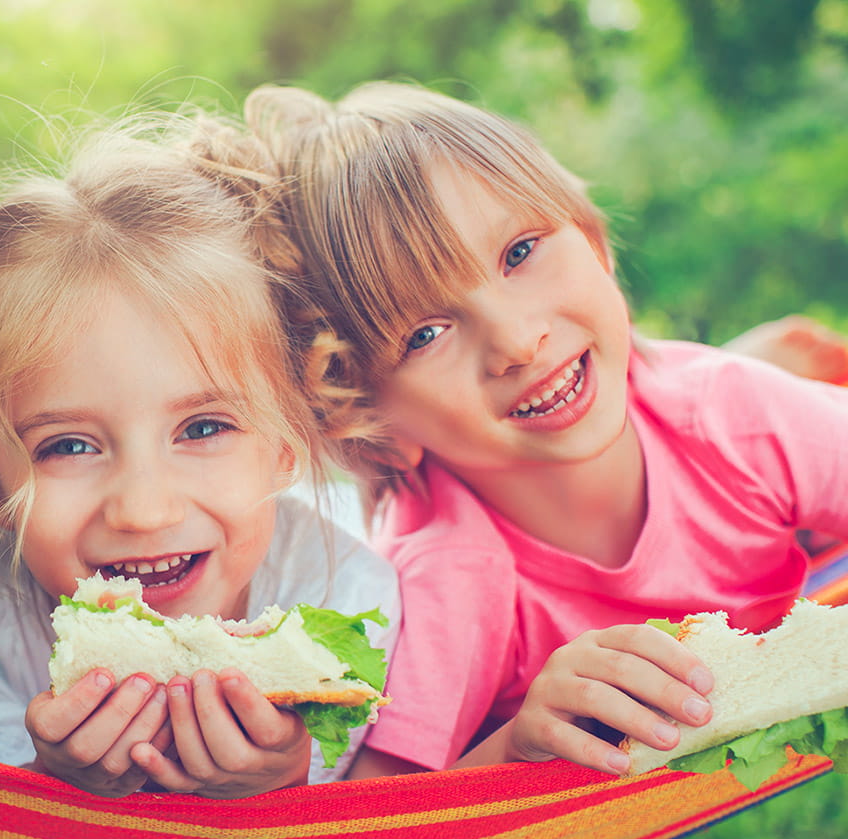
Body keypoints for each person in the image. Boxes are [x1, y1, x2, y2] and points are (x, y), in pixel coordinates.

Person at [242, 81, 848, 779]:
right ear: (379, 431)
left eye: (520, 251)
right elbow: (378, 825)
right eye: (427, 333)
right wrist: (514, 746)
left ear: (594, 243)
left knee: (753, 415)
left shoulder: (732, 416)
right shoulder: (451, 576)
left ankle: (770, 380)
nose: (518, 341)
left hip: (725, 460)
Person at [0, 118, 400, 798]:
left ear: (289, 440)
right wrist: (55, 780)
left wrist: (284, 780)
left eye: (202, 428)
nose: (143, 509)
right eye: (68, 446)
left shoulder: (347, 599)